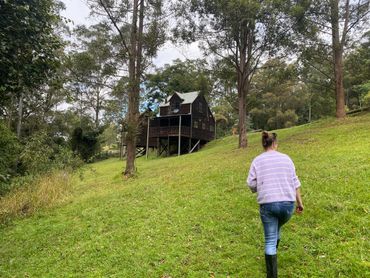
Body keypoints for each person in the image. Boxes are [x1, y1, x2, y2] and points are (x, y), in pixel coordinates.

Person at [247, 131, 304, 278]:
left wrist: (259, 187)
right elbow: (295, 182)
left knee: (270, 240)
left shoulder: (257, 160)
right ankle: (274, 252)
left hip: (268, 205)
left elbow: (251, 183)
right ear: (275, 144)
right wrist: (300, 203)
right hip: (287, 205)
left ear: (264, 144)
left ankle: (271, 272)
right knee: (276, 228)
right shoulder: (286, 159)